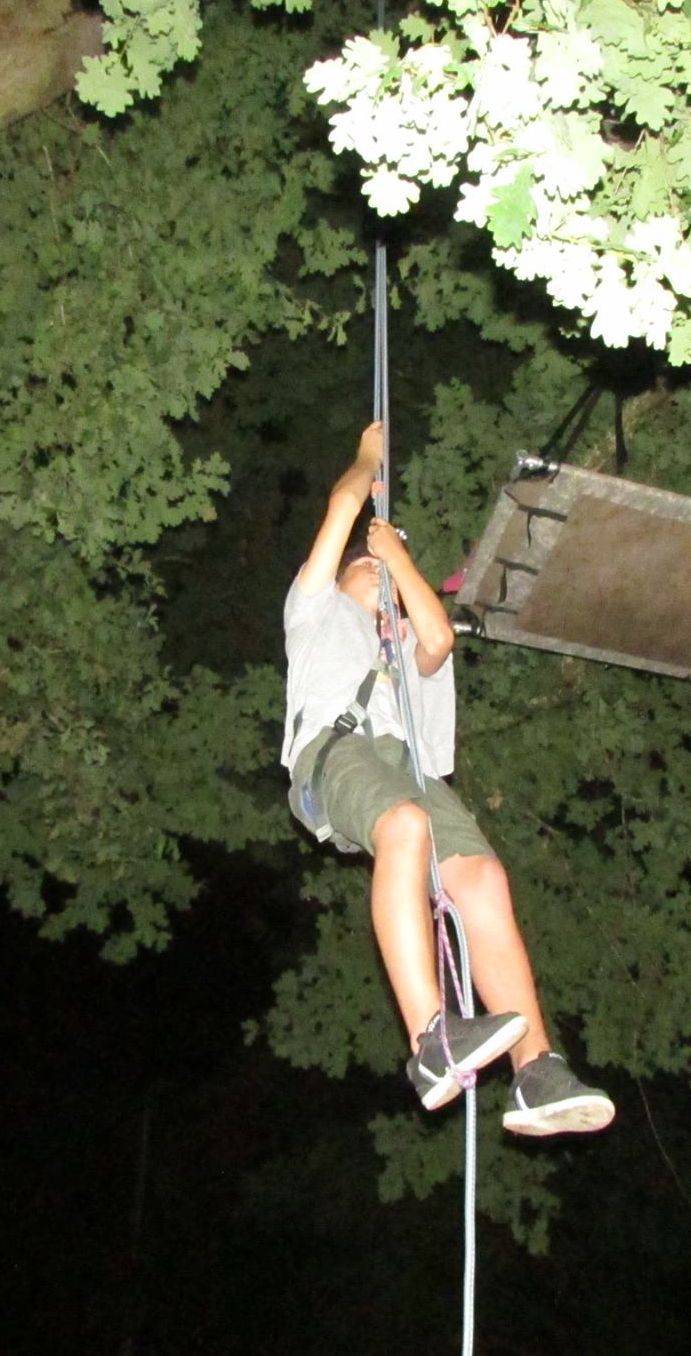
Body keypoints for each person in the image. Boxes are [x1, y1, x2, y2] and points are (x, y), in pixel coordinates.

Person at [282, 422, 614, 1137]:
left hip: (412, 767)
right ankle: (432, 1039)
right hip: (334, 752)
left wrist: (397, 557)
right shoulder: (314, 613)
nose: (372, 576)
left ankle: (535, 1068)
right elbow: (342, 512)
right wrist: (368, 461)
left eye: (382, 577)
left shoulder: (405, 645)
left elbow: (438, 638)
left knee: (485, 879)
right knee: (403, 826)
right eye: (363, 570)